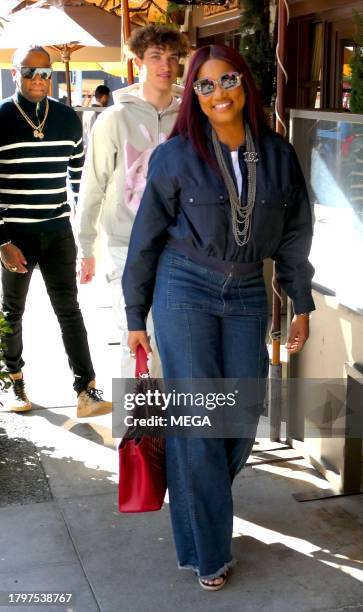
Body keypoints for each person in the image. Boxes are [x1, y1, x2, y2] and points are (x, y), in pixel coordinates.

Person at [122, 45, 315, 590]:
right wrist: (136, 313)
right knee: (200, 422)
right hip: (185, 286)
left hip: (249, 289)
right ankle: (209, 550)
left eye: (226, 80)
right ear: (193, 95)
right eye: (203, 86)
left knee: (240, 414)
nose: (218, 94)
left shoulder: (277, 153)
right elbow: (146, 239)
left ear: (244, 83)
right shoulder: (176, 155)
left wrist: (299, 300)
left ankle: (196, 495)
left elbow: (296, 234)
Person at [0, 45, 111, 418]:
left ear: (53, 75)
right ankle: (13, 381)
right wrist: (2, 242)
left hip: (59, 232)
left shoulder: (67, 119)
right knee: (12, 312)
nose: (37, 79)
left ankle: (86, 390)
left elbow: (80, 183)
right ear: (15, 74)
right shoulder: (1, 117)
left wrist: (87, 239)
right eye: (29, 72)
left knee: (70, 311)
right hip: (15, 236)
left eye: (44, 72)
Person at [76, 24, 189, 378]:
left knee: (173, 339)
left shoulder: (191, 117)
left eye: (172, 57)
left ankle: (168, 429)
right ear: (137, 61)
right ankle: (137, 429)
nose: (165, 65)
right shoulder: (114, 118)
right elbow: (92, 183)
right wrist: (86, 246)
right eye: (156, 56)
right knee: (135, 333)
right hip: (126, 243)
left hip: (180, 244)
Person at [82, 85, 111, 153]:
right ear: (104, 97)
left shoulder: (86, 111)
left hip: (87, 149)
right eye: (108, 98)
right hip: (98, 149)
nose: (108, 100)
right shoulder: (102, 112)